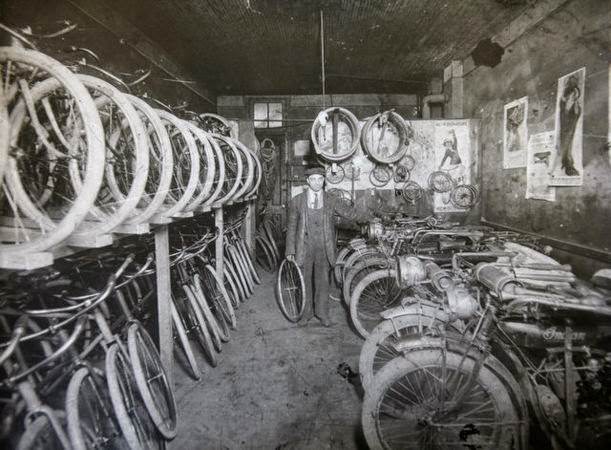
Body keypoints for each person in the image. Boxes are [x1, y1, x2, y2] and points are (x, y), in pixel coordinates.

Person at [285, 166, 362, 327]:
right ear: (307, 181)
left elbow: (350, 214)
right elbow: (292, 227)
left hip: (324, 247)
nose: (317, 183)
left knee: (323, 282)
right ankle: (306, 314)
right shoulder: (297, 201)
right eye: (313, 179)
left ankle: (322, 314)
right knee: (304, 281)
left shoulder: (331, 199)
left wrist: (369, 216)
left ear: (324, 180)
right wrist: (290, 249)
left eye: (320, 179)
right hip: (304, 246)